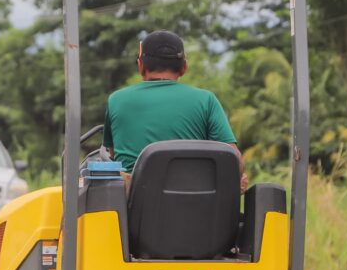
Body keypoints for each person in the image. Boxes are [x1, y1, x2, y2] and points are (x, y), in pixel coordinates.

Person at [103, 30, 248, 192]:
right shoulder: (206, 100)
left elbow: (112, 157)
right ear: (184, 67)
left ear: (141, 65)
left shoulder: (116, 100)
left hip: (135, 212)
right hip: (197, 208)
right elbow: (233, 160)